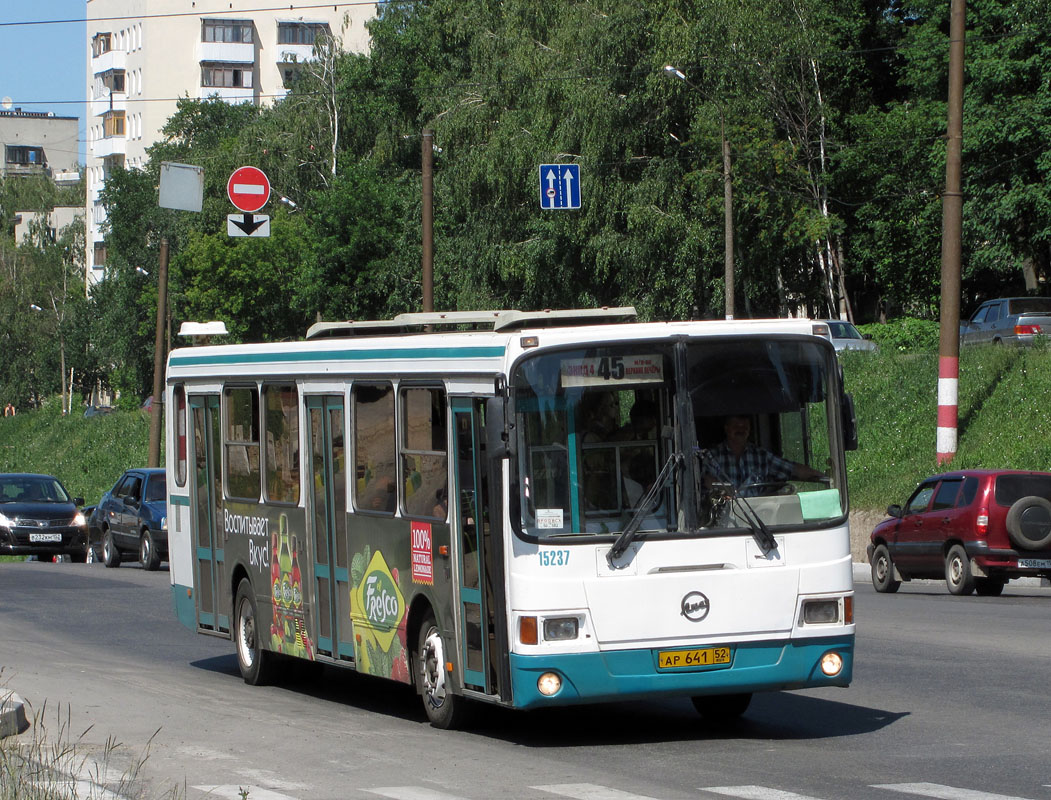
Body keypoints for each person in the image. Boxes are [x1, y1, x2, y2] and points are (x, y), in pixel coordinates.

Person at [702, 414, 825, 496]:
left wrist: (822, 477)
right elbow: (707, 482)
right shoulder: (712, 457)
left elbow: (792, 469)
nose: (741, 430)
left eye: (745, 427)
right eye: (736, 426)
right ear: (727, 429)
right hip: (723, 523)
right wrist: (728, 493)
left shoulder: (761, 456)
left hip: (760, 519)